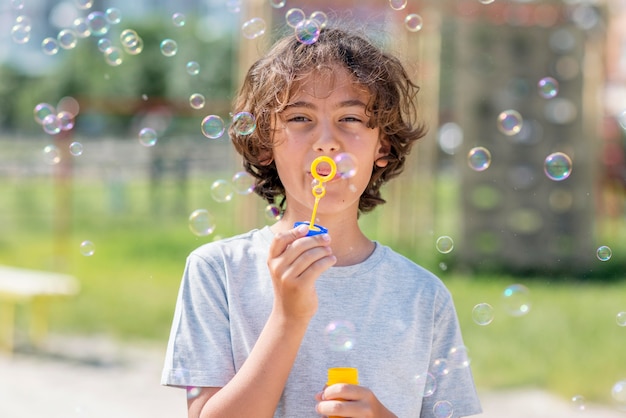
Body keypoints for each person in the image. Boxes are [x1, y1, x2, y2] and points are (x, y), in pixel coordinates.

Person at [161, 24, 482, 418]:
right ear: (264, 143)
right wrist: (288, 317)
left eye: (350, 118)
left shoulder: (422, 296)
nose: (326, 141)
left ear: (382, 145)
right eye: (299, 118)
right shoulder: (218, 272)